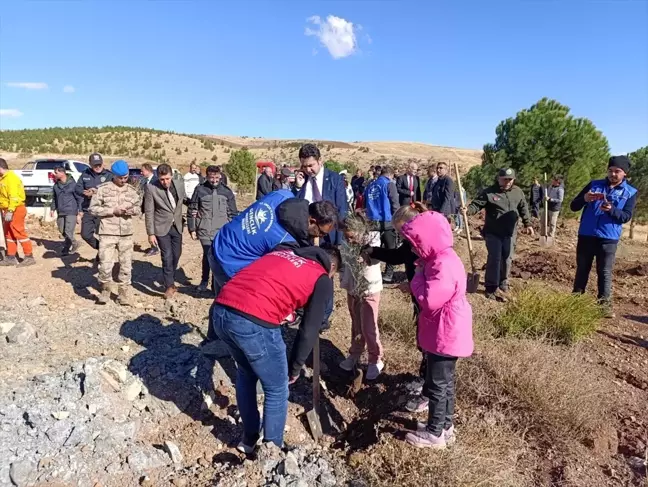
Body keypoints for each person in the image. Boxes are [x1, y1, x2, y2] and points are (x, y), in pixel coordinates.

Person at [211, 246, 340, 451]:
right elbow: (308, 330)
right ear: (331, 266)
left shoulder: (281, 253)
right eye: (333, 275)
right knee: (277, 388)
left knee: (246, 373)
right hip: (252, 320)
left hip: (221, 311)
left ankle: (249, 440)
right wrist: (295, 367)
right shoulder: (321, 278)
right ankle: (272, 450)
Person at [398, 210, 473, 449]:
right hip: (449, 330)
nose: (412, 250)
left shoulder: (441, 264)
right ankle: (445, 426)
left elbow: (429, 300)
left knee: (439, 385)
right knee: (446, 383)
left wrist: (416, 278)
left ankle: (434, 434)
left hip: (445, 333)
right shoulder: (443, 258)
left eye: (415, 244)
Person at [571, 156, 637, 318]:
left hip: (608, 238)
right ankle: (575, 302)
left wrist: (611, 209)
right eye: (610, 171)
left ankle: (604, 306)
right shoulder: (594, 185)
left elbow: (626, 216)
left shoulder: (630, 192)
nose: (613, 174)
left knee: (604, 271)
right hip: (586, 235)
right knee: (582, 269)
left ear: (625, 174)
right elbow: (573, 206)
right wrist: (585, 199)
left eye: (617, 171)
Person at [465, 168, 534, 299]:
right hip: (493, 233)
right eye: (505, 179)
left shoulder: (517, 192)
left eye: (510, 179)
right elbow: (476, 205)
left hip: (510, 233)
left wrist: (528, 224)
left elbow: (523, 207)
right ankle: (491, 287)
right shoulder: (489, 192)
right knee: (495, 259)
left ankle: (503, 282)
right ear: (499, 178)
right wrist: (467, 210)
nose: (508, 182)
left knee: (507, 258)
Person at [88, 160, 141, 305]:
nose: (123, 181)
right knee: (105, 265)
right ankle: (105, 291)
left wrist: (132, 211)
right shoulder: (103, 189)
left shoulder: (132, 190)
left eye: (126, 177)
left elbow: (138, 208)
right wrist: (112, 211)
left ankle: (123, 294)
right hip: (107, 233)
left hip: (126, 233)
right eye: (120, 178)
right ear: (113, 175)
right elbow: (92, 209)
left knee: (125, 265)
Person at [338, 214, 384, 380]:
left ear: (360, 232)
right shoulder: (346, 243)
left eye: (351, 237)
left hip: (369, 289)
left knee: (368, 327)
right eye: (345, 237)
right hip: (353, 289)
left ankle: (375, 359)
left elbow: (376, 257)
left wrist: (366, 256)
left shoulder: (372, 242)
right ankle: (355, 353)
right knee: (356, 324)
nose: (348, 240)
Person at [187, 165, 238, 292]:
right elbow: (192, 209)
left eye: (216, 177)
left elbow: (233, 213)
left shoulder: (226, 191)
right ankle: (204, 281)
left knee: (218, 257)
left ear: (220, 176)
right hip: (204, 230)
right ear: (207, 176)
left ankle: (216, 285)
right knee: (208, 255)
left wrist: (233, 232)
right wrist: (192, 229)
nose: (214, 180)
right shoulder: (200, 190)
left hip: (222, 232)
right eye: (211, 178)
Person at [144, 163, 186, 300]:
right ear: (158, 177)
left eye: (167, 179)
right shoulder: (151, 188)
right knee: (167, 256)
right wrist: (150, 233)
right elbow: (149, 211)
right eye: (162, 179)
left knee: (177, 254)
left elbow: (183, 201)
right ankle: (169, 285)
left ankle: (169, 277)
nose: (165, 182)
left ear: (172, 176)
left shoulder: (179, 183)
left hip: (177, 225)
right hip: (161, 227)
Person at [297, 143, 348, 246]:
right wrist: (298, 187)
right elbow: (295, 208)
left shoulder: (335, 179)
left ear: (320, 160)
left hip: (328, 236)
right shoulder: (302, 180)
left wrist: (338, 241)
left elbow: (342, 210)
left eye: (311, 165)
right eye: (304, 166)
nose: (308, 170)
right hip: (307, 237)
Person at [364, 166, 400, 283]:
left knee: (373, 248)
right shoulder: (389, 184)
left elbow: (366, 202)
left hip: (372, 221)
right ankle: (388, 274)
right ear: (390, 175)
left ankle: (371, 273)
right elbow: (395, 203)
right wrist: (398, 220)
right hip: (387, 222)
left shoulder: (371, 185)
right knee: (391, 249)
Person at [76, 153, 113, 258]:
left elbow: (113, 191)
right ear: (90, 165)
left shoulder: (109, 175)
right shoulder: (85, 174)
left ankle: (104, 255)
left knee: (104, 234)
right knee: (85, 234)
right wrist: (85, 192)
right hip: (89, 209)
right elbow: (77, 188)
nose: (97, 167)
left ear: (102, 163)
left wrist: (98, 192)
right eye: (95, 165)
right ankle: (101, 248)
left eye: (99, 165)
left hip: (103, 210)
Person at [0, 158, 35, 267]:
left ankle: (29, 256)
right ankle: (11, 256)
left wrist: (10, 211)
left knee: (18, 231)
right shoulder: (3, 179)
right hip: (7, 209)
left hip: (16, 209)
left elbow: (14, 196)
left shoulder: (11, 179)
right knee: (9, 233)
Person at [50, 166, 82, 256]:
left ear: (62, 173)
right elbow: (54, 198)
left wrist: (80, 211)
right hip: (61, 211)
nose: (54, 174)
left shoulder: (73, 184)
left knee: (68, 231)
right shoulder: (56, 185)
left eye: (56, 172)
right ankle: (68, 245)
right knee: (62, 230)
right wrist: (52, 208)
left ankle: (74, 244)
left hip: (71, 211)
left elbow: (79, 198)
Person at [138, 163, 159, 257]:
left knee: (152, 228)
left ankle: (155, 248)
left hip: (154, 209)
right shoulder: (145, 181)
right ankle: (154, 246)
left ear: (147, 170)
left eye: (142, 171)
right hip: (148, 209)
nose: (141, 173)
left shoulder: (156, 181)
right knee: (150, 227)